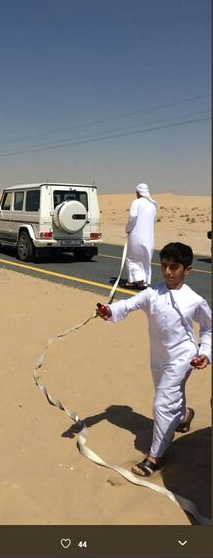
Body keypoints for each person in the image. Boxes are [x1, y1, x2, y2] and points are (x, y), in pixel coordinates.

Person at [96, 242, 211, 477]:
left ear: (187, 270)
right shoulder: (152, 293)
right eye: (164, 266)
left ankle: (155, 456)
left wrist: (205, 354)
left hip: (183, 358)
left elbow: (209, 329)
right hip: (158, 358)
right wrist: (110, 311)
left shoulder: (194, 300)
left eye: (174, 267)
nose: (168, 272)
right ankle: (184, 415)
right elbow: (128, 304)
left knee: (161, 404)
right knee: (168, 400)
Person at [125, 183, 157, 289]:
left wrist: (128, 229)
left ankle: (132, 281)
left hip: (136, 236)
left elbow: (133, 216)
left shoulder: (136, 202)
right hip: (149, 238)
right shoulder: (153, 205)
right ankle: (142, 282)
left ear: (138, 192)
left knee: (132, 258)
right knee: (145, 260)